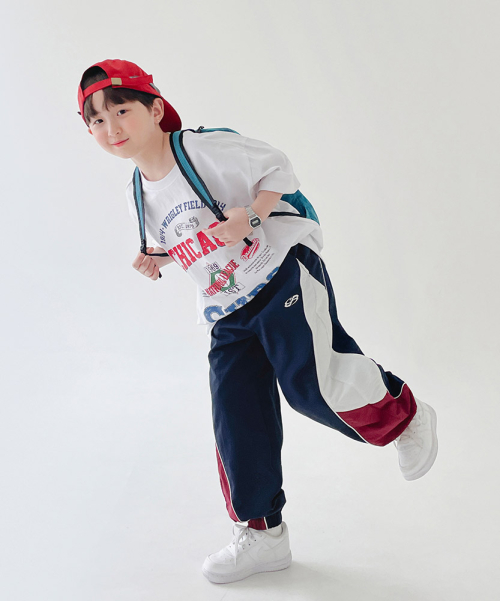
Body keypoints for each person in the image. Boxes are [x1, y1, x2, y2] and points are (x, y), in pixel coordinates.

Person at [77, 59, 438, 585]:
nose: (111, 128)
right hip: (224, 307)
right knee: (235, 413)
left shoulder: (202, 149)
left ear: (155, 110)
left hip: (278, 268)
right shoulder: (138, 192)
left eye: (121, 111)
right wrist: (160, 259)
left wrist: (251, 215)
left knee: (311, 385)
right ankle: (262, 533)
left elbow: (278, 170)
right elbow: (194, 237)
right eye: (96, 121)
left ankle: (405, 415)